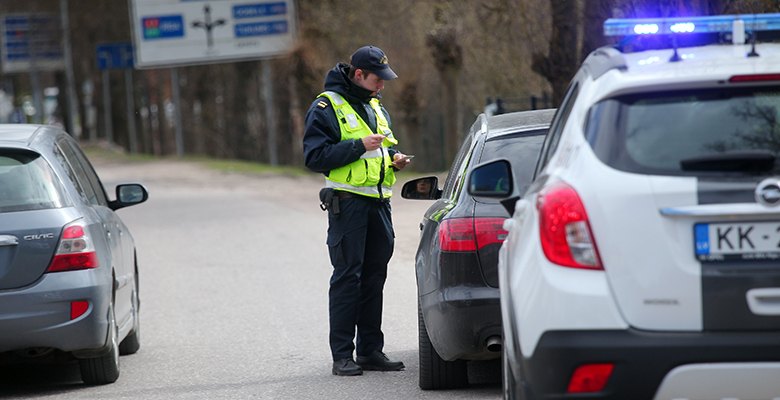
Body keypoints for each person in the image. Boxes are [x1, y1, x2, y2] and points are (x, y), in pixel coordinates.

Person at [303, 45, 411, 376]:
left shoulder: (376, 106)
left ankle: (370, 351)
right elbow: (314, 157)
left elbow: (380, 151)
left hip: (379, 203)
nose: (382, 85)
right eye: (377, 79)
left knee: (374, 277)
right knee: (348, 278)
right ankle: (342, 356)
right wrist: (357, 146)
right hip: (347, 204)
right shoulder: (326, 106)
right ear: (359, 74)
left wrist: (394, 158)